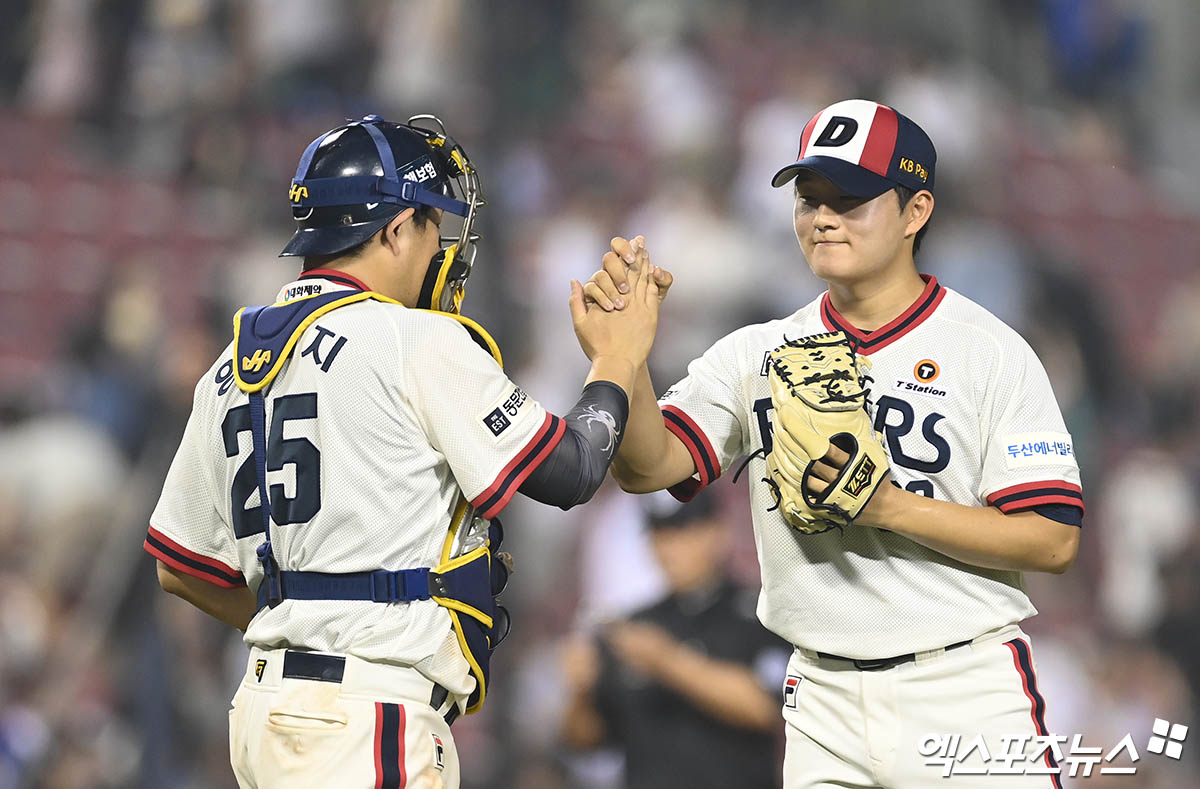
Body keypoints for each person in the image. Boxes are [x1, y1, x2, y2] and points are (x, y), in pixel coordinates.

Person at [143, 114, 663, 789]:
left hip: (264, 713)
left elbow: (180, 568)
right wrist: (617, 359)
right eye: (429, 223)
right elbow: (571, 469)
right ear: (392, 229)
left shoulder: (228, 366)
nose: (439, 246)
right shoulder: (411, 339)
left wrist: (305, 620)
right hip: (367, 717)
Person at [581, 99, 1083, 788]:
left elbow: (1052, 538)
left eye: (849, 199)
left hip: (963, 685)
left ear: (916, 211)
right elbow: (649, 468)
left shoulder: (988, 351)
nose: (822, 217)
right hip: (820, 697)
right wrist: (627, 362)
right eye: (809, 197)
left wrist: (888, 507)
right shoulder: (755, 351)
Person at [561, 488, 790, 789]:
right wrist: (581, 692)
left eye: (682, 531)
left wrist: (666, 662)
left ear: (718, 532)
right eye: (659, 533)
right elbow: (587, 741)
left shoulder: (761, 612)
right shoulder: (634, 625)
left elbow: (767, 709)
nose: (668, 548)